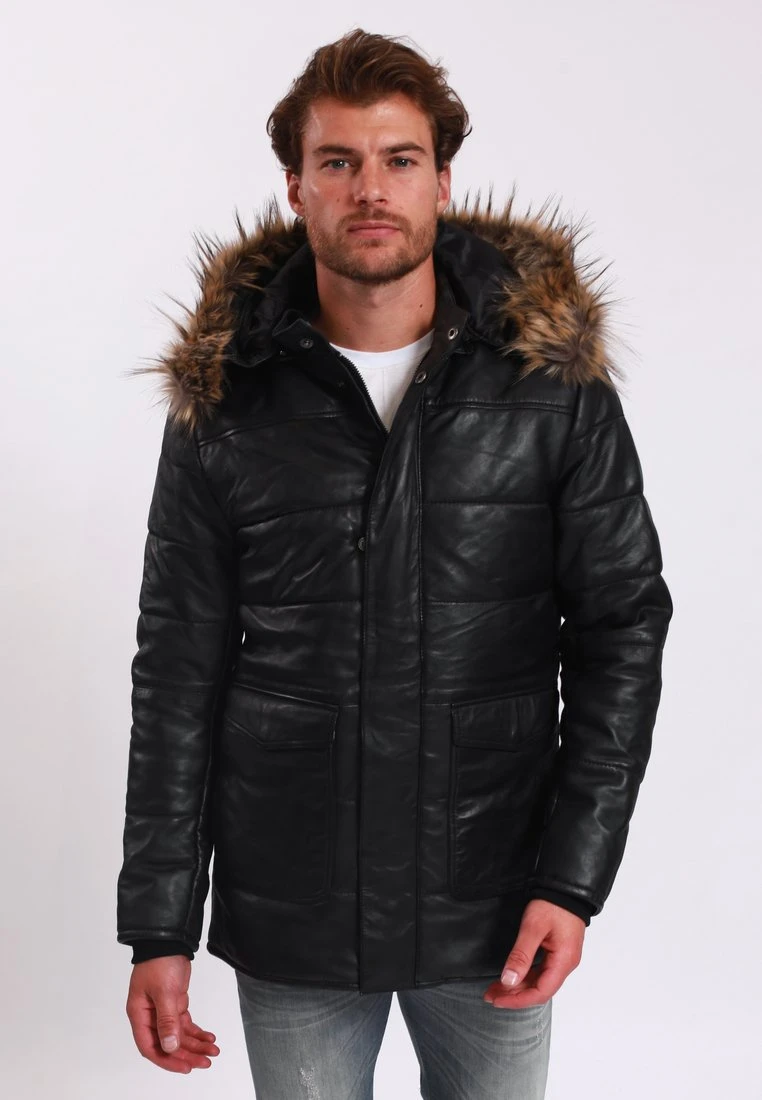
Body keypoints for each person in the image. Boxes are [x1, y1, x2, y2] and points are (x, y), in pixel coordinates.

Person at [117, 27, 673, 1098]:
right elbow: (177, 666)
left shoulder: (549, 386)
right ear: (296, 187)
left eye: (399, 159)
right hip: (294, 902)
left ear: (441, 180)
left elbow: (622, 629)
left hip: (495, 894)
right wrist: (159, 923)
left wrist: (572, 879)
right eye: (338, 161)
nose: (370, 188)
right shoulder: (227, 399)